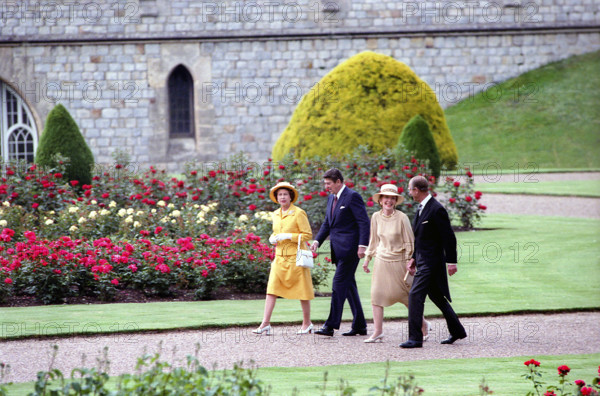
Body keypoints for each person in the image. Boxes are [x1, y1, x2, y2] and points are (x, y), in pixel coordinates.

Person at [400, 175, 467, 348]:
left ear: (416, 190)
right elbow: (421, 239)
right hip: (422, 260)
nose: (409, 192)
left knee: (415, 296)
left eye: (410, 189)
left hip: (431, 263)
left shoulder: (436, 209)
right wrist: (414, 258)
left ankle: (415, 338)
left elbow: (449, 238)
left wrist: (451, 261)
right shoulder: (421, 208)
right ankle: (457, 331)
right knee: (437, 297)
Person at [362, 184, 431, 343]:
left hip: (399, 263)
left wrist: (410, 261)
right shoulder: (375, 217)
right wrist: (367, 259)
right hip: (381, 262)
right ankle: (377, 331)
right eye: (386, 197)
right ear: (380, 200)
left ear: (395, 201)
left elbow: (410, 242)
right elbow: (373, 241)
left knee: (407, 298)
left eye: (392, 198)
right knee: (376, 296)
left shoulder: (402, 217)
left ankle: (423, 325)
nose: (389, 201)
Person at [311, 168, 370, 337]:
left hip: (351, 250)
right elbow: (327, 224)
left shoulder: (352, 196)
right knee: (349, 286)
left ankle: (330, 326)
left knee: (338, 285)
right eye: (325, 183)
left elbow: (363, 223)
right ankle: (360, 325)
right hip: (338, 250)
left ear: (338, 182)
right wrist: (317, 241)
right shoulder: (332, 198)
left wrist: (362, 245)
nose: (326, 187)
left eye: (329, 183)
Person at [253, 181, 314, 335]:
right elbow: (276, 231)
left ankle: (307, 324)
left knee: (303, 291)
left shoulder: (299, 213)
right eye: (279, 194)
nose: (282, 197)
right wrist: (272, 237)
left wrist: (289, 236)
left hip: (296, 258)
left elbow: (307, 235)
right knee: (271, 289)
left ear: (291, 196)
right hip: (279, 257)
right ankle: (265, 324)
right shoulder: (275, 214)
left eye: (285, 194)